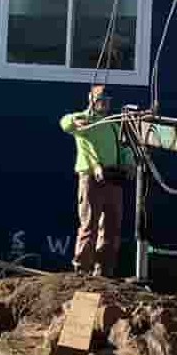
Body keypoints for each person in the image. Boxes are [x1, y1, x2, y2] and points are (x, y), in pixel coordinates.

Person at [60, 85, 128, 277]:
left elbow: (124, 147)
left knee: (111, 227)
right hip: (91, 178)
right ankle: (81, 269)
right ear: (92, 100)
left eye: (107, 101)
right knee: (89, 224)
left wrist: (129, 163)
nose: (104, 104)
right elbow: (65, 123)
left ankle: (104, 271)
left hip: (113, 178)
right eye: (100, 100)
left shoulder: (114, 124)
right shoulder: (85, 121)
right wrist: (75, 119)